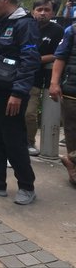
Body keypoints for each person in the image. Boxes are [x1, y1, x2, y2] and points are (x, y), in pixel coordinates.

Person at [0, 0, 40, 205]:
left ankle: (26, 186)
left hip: (11, 95)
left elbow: (29, 62)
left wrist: (18, 93)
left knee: (14, 140)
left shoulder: (25, 24)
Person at [25, 0, 64, 156]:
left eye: (46, 10)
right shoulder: (26, 27)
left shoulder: (58, 30)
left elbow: (59, 54)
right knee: (29, 113)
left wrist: (38, 59)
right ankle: (29, 142)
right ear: (33, 11)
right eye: (39, 9)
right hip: (30, 76)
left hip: (51, 77)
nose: (42, 13)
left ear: (53, 13)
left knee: (54, 113)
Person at [49, 20, 76, 185]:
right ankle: (73, 167)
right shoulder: (72, 30)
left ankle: (71, 158)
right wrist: (54, 83)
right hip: (73, 91)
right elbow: (60, 58)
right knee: (72, 133)